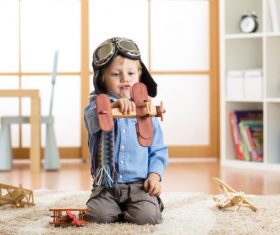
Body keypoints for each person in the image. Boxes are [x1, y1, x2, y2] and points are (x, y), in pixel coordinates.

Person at [84, 37, 168, 225]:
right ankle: (116, 209)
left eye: (131, 72)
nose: (125, 79)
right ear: (102, 79)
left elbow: (158, 150)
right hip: (106, 186)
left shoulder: (147, 110)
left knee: (148, 217)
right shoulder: (94, 107)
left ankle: (148, 204)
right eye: (115, 74)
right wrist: (111, 105)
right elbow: (92, 120)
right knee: (97, 216)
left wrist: (154, 176)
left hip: (139, 186)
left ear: (139, 75)